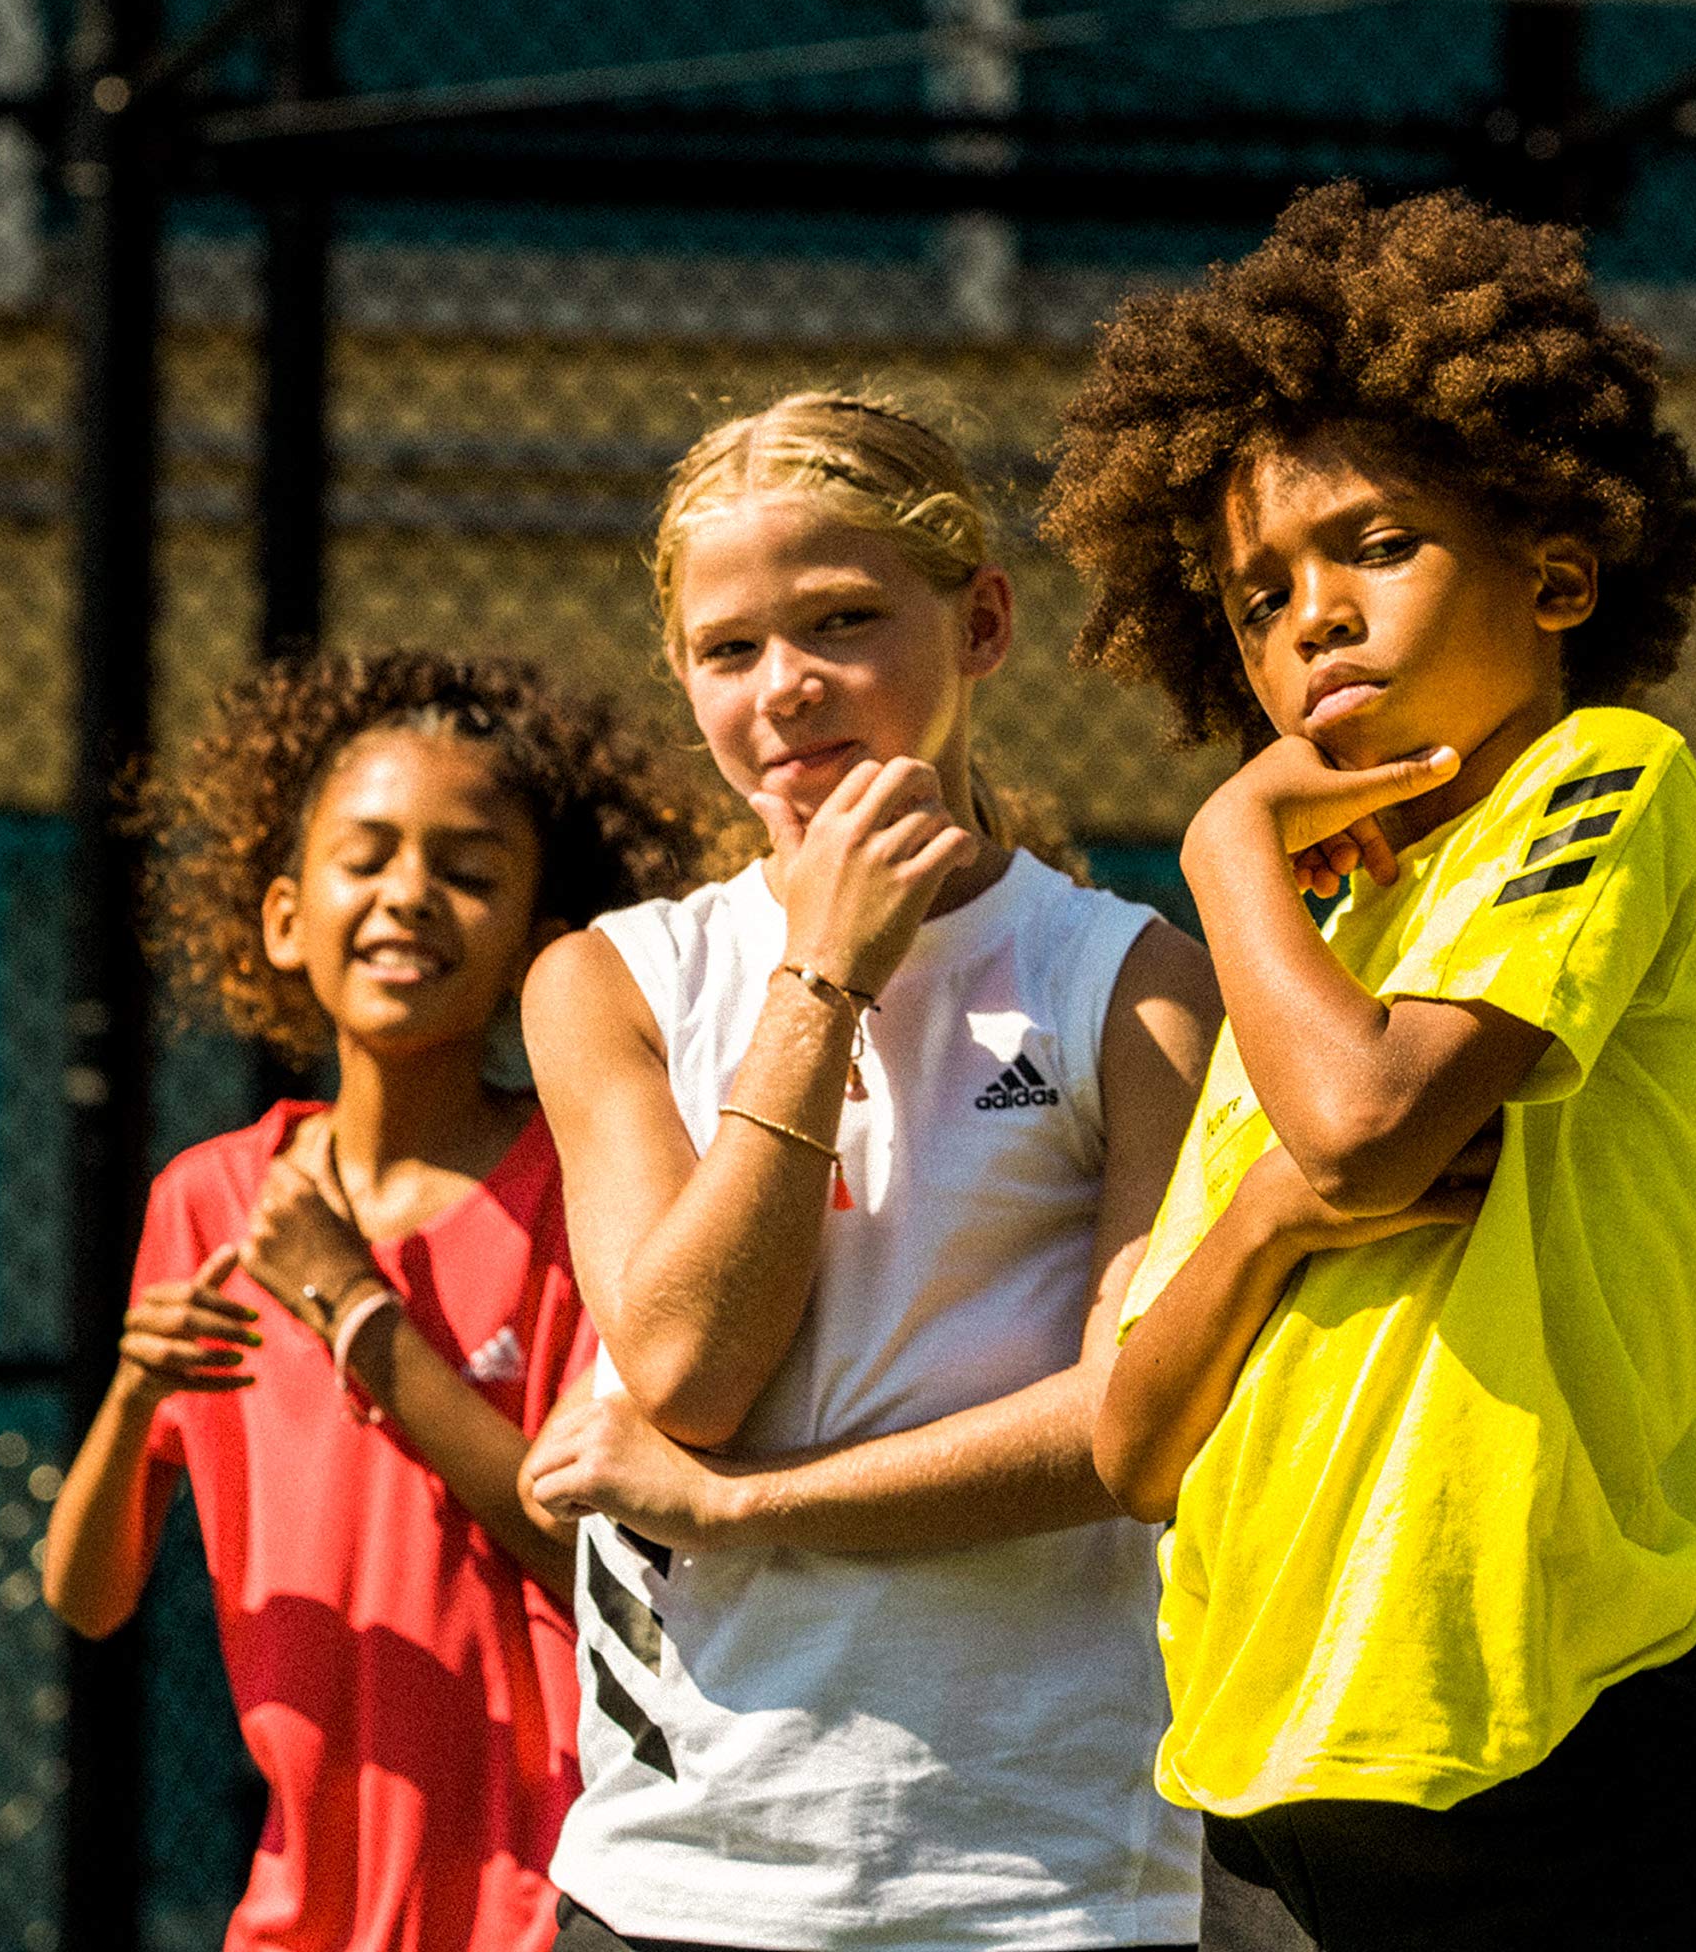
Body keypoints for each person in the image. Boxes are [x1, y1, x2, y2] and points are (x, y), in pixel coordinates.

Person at [1043, 182, 1696, 1952]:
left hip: (1549, 1730)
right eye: (1259, 591)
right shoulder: (1313, 936)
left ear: (1556, 568)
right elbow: (1133, 1440)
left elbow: (1366, 1128)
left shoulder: (1601, 781)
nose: (1313, 618)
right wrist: (1267, 1220)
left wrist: (1221, 845)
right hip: (1267, 1767)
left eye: (1375, 544)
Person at [517, 390, 1217, 1952]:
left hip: (1039, 1877)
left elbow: (1129, 1426)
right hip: (681, 1865)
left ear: (981, 623)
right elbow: (690, 1364)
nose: (787, 690)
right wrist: (823, 975)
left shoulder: (1136, 982)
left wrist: (736, 1508)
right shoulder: (611, 982)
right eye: (729, 649)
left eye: (843, 621)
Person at [45, 649, 704, 1952]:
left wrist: (355, 1311)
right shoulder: (207, 1199)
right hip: (303, 1899)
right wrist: (133, 1397)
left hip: (553, 1885)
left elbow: (604, 1567)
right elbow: (86, 1595)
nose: (411, 895)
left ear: (539, 939)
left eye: (468, 871)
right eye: (369, 857)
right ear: (286, 914)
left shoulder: (583, 1192)